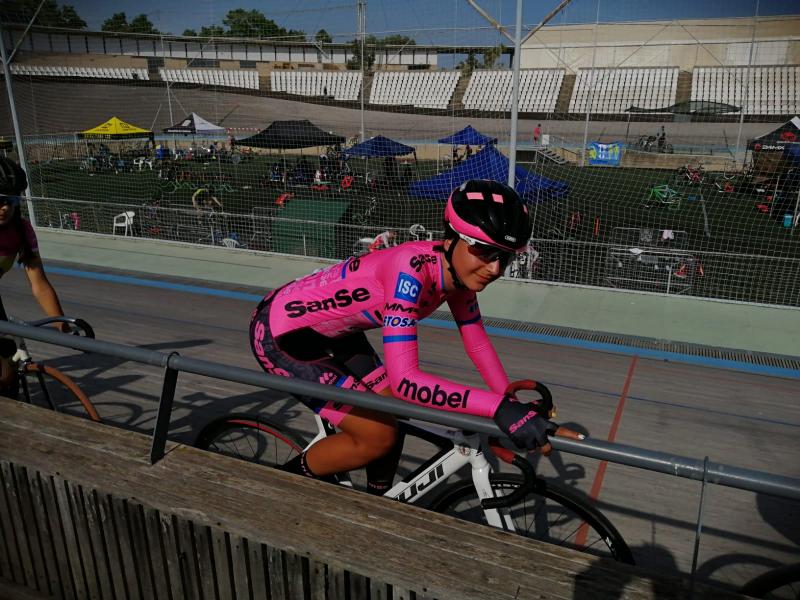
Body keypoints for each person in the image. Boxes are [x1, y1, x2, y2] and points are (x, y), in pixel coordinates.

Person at [249, 179, 579, 493]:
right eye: (483, 251)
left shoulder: (457, 275)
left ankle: (376, 502)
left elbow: (477, 343)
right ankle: (278, 488)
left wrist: (512, 408)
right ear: (450, 240)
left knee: (395, 414)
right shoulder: (410, 271)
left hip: (337, 331)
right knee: (378, 434)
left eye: (504, 257)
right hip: (283, 333)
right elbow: (406, 381)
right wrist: (498, 409)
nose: (495, 269)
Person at [0, 159, 70, 391]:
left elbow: (39, 284)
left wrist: (61, 323)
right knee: (3, 373)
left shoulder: (21, 230)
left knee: (10, 370)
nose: (6, 207)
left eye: (12, 200)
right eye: (0, 200)